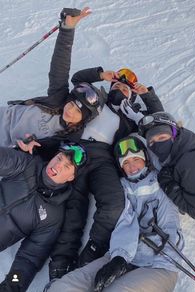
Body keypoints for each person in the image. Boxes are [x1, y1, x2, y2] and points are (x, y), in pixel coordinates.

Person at [43, 67, 165, 280]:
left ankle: (92, 252)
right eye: (116, 85)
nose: (119, 88)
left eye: (125, 88)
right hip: (75, 151)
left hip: (103, 159)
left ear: (131, 96)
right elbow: (77, 80)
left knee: (114, 202)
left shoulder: (131, 115)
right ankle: (60, 264)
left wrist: (147, 95)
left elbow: (157, 119)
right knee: (73, 208)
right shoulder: (96, 99)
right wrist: (100, 75)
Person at [44, 135, 184, 292]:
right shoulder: (123, 188)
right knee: (62, 287)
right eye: (126, 163)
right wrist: (119, 258)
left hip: (160, 264)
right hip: (120, 256)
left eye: (135, 159)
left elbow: (170, 227)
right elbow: (125, 224)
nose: (132, 167)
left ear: (145, 158)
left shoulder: (160, 183)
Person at [0, 7, 105, 147]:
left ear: (84, 118)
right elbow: (60, 66)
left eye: (78, 111)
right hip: (4, 115)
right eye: (72, 104)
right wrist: (68, 29)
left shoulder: (66, 138)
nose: (70, 110)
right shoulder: (58, 100)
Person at [0, 142, 87, 292]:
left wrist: (13, 285)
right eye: (59, 158)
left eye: (66, 166)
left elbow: (29, 258)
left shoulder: (53, 216)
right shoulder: (27, 165)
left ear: (71, 177)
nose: (58, 165)